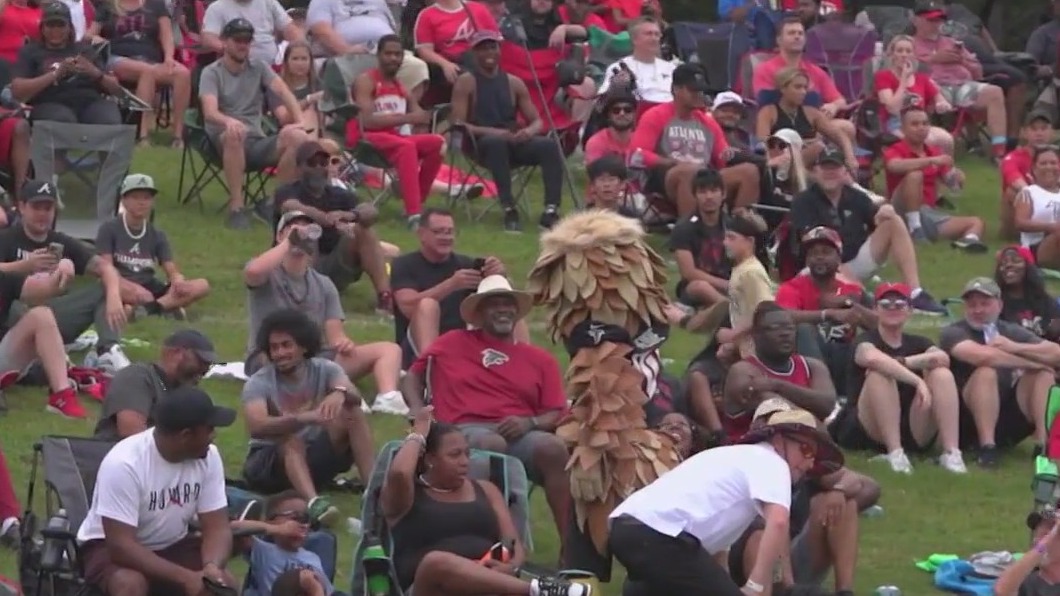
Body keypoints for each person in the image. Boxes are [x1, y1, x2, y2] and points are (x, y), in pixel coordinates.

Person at [401, 276, 571, 541]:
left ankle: (571, 550)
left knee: (554, 449)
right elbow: (412, 377)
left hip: (520, 431)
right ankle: (494, 539)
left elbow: (556, 411)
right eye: (494, 304)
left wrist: (530, 423)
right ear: (479, 313)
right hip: (463, 428)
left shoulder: (541, 360)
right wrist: (417, 408)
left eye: (508, 304)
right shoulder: (452, 342)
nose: (503, 309)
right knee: (491, 444)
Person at [608, 406, 844, 595]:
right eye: (806, 450)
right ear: (779, 440)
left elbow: (716, 552)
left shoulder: (733, 459)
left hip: (627, 530)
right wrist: (756, 584)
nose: (809, 463)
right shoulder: (772, 462)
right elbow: (779, 523)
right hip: (660, 535)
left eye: (814, 458)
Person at [380, 411, 591, 596]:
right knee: (435, 562)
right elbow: (399, 473)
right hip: (432, 588)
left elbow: (513, 543)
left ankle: (538, 591)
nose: (465, 462)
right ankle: (539, 590)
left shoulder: (486, 489)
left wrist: (511, 567)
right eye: (454, 455)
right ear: (429, 459)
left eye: (467, 453)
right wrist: (418, 433)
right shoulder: (406, 496)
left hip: (489, 586)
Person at [76, 387, 239, 596]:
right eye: (209, 429)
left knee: (224, 584)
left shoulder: (208, 456)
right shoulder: (125, 463)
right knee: (129, 585)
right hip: (108, 546)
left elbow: (217, 527)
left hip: (172, 544)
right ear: (186, 435)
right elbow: (120, 547)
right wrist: (186, 578)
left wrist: (211, 567)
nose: (213, 436)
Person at [243, 211, 403, 411]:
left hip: (314, 357)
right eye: (292, 228)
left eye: (307, 229)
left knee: (389, 349)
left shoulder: (324, 284)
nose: (301, 234)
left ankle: (388, 398)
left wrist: (343, 343)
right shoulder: (268, 273)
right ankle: (333, 391)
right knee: (303, 366)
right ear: (279, 236)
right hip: (270, 355)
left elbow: (335, 336)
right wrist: (289, 242)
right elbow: (253, 272)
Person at [241, 309, 376, 526]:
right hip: (267, 465)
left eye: (286, 345)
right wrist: (305, 418)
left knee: (352, 412)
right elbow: (257, 425)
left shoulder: (325, 369)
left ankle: (373, 494)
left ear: (304, 346)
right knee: (290, 438)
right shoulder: (259, 382)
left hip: (311, 455)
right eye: (274, 347)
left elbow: (355, 397)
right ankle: (314, 504)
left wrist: (340, 393)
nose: (280, 353)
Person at [730, 402, 874, 596]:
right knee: (765, 528)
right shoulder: (748, 464)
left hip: (796, 554)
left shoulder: (804, 465)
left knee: (844, 504)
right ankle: (783, 591)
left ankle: (844, 592)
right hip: (752, 560)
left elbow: (868, 485)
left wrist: (838, 491)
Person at [790, 148, 946, 314]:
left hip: (854, 262)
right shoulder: (803, 201)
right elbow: (809, 244)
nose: (829, 173)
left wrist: (884, 211)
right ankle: (856, 293)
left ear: (845, 172)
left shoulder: (856, 197)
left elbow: (876, 220)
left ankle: (915, 293)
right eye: (824, 168)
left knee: (893, 220)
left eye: (834, 167)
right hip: (819, 269)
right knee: (858, 300)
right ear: (815, 171)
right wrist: (838, 270)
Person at [0, 180, 130, 374]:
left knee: (105, 287)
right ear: (22, 207)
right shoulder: (6, 238)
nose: (42, 214)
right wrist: (25, 265)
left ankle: (107, 350)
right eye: (36, 207)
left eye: (48, 208)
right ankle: (47, 353)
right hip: (16, 317)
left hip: (56, 312)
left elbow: (104, 267)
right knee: (17, 306)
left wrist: (113, 296)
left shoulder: (61, 241)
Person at [835, 282, 966, 474]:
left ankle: (951, 453)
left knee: (942, 374)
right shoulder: (865, 340)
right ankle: (895, 453)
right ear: (875, 309)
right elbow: (871, 358)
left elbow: (942, 358)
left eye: (899, 304)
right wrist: (917, 380)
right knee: (879, 374)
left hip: (913, 423)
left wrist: (905, 362)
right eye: (885, 304)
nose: (892, 308)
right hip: (868, 427)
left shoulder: (919, 342)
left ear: (910, 310)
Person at [199, 17, 311, 230]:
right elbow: (210, 112)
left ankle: (274, 203)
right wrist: (230, 121)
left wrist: (299, 122)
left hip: (256, 139)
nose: (243, 45)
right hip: (221, 141)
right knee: (235, 134)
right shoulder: (211, 72)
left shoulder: (258, 67)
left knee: (299, 138)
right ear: (225, 41)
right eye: (238, 40)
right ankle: (236, 208)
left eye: (247, 40)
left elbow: (283, 92)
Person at [450, 30, 565, 232]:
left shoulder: (513, 82)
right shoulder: (467, 82)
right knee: (496, 143)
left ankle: (551, 210)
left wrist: (529, 132)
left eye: (492, 47)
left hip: (512, 140)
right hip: (480, 144)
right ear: (474, 53)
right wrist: (493, 132)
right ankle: (509, 208)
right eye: (483, 48)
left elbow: (537, 121)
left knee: (549, 146)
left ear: (499, 50)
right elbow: (458, 123)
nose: (489, 52)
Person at [939, 276, 1060, 467]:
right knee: (986, 373)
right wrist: (1030, 363)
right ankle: (987, 448)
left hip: (1008, 416)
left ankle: (1043, 445)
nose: (978, 310)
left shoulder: (1009, 331)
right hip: (965, 420)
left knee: (1043, 375)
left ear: (999, 305)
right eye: (972, 305)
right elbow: (984, 357)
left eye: (985, 303)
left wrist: (1016, 347)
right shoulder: (953, 332)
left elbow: (1056, 353)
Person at [272, 141, 393, 314]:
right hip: (294, 264)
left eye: (323, 163)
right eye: (312, 163)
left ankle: (385, 296)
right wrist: (319, 216)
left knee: (364, 230)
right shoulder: (287, 191)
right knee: (302, 229)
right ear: (298, 169)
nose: (318, 168)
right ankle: (303, 296)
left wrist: (350, 215)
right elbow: (288, 205)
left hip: (333, 263)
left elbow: (371, 211)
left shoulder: (339, 194)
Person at [391, 208, 516, 370]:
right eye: (438, 232)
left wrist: (499, 276)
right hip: (416, 345)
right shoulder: (404, 264)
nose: (446, 237)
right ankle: (429, 371)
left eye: (450, 232)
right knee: (427, 305)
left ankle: (522, 366)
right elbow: (407, 306)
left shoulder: (466, 264)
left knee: (511, 305)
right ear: (422, 234)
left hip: (461, 342)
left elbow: (506, 300)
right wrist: (451, 285)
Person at [628, 64, 760, 218]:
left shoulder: (708, 122)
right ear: (676, 89)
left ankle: (740, 226)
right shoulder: (655, 116)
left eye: (701, 90)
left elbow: (722, 157)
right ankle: (691, 228)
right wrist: (670, 162)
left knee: (749, 171)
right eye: (693, 90)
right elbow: (637, 154)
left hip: (705, 176)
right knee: (689, 171)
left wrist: (733, 155)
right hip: (668, 177)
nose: (698, 94)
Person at [351, 34, 444, 227]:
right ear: (379, 55)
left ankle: (418, 202)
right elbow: (367, 121)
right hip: (366, 137)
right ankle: (414, 214)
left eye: (397, 54)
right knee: (406, 146)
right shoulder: (366, 81)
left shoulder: (399, 86)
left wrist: (427, 116)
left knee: (438, 143)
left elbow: (418, 114)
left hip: (392, 137)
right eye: (388, 54)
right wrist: (409, 118)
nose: (393, 58)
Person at [96, 174, 211, 320]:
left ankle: (147, 310)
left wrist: (177, 280)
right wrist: (131, 287)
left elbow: (170, 268)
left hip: (149, 284)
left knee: (202, 285)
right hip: (120, 282)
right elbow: (105, 269)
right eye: (135, 197)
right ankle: (165, 308)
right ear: (124, 200)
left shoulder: (157, 234)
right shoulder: (109, 229)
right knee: (136, 293)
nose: (141, 202)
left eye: (146, 198)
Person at [722, 301, 838, 442]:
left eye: (790, 328)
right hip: (751, 449)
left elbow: (827, 404)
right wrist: (818, 431)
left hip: (803, 449)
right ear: (755, 335)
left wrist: (777, 385)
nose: (785, 333)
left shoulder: (813, 366)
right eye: (775, 328)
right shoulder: (742, 370)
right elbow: (769, 402)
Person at [775, 226, 874, 388]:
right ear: (807, 260)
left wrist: (850, 304)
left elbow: (883, 325)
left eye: (826, 252)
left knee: (867, 344)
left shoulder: (852, 290)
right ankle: (821, 389)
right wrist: (828, 314)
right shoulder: (792, 287)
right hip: (804, 362)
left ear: (839, 258)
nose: (819, 257)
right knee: (804, 329)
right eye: (813, 253)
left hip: (844, 358)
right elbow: (782, 315)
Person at [911, 1, 1008, 160]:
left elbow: (978, 71)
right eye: (931, 20)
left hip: (962, 85)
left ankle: (999, 152)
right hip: (933, 87)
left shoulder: (951, 42)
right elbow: (905, 69)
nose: (936, 24)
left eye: (939, 20)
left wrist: (963, 60)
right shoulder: (909, 44)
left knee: (995, 92)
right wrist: (933, 59)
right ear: (916, 21)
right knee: (921, 95)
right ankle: (923, 149)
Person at [883, 105, 986, 250]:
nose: (921, 128)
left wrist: (957, 177)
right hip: (901, 210)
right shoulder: (896, 149)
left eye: (925, 123)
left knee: (976, 222)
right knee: (915, 175)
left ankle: (967, 243)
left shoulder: (934, 151)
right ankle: (915, 228)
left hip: (928, 213)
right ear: (903, 129)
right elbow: (894, 166)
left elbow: (950, 181)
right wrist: (930, 161)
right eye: (915, 124)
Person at [89, 0, 191, 144]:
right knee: (146, 71)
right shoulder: (108, 5)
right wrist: (95, 38)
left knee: (182, 73)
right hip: (118, 59)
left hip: (152, 60)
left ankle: (178, 136)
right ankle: (143, 134)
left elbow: (167, 34)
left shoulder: (156, 4)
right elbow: (88, 34)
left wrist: (169, 57)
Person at [94, 329, 218, 441]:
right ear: (176, 353)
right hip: (116, 453)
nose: (205, 368)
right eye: (201, 361)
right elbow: (132, 435)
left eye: (208, 364)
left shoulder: (185, 392)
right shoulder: (136, 376)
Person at [11, 2, 124, 124]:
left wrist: (94, 71)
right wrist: (56, 74)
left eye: (61, 25)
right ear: (42, 28)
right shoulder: (30, 51)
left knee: (108, 117)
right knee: (63, 120)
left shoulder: (85, 50)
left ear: (70, 27)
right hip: (50, 103)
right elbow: (18, 92)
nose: (56, 30)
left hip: (89, 102)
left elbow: (116, 90)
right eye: (50, 25)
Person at [305, 0, 429, 101]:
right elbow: (321, 30)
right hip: (349, 54)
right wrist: (346, 50)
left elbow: (392, 27)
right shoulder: (322, 1)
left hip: (384, 51)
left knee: (417, 67)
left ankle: (402, 113)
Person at [234, 491, 342, 596]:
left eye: (306, 519)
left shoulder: (313, 558)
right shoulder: (262, 551)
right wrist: (278, 529)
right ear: (271, 520)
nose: (303, 525)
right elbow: (234, 528)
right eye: (295, 518)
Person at [754, 67, 857, 169]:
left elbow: (840, 136)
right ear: (783, 88)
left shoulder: (812, 113)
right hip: (781, 162)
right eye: (798, 87)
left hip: (809, 166)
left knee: (823, 152)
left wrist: (850, 157)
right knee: (818, 147)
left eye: (805, 88)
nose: (803, 92)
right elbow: (764, 143)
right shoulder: (768, 112)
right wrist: (804, 143)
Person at [874, 35, 954, 152]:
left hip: (920, 123)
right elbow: (892, 108)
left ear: (914, 55)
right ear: (892, 54)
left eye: (908, 51)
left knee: (946, 139)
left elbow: (940, 99)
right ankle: (926, 163)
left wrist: (941, 104)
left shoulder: (922, 79)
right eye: (899, 51)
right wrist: (903, 80)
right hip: (895, 124)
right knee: (926, 141)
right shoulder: (883, 76)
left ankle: (945, 164)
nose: (904, 54)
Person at [752, 18, 847, 117]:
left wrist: (834, 106)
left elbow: (840, 101)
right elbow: (766, 103)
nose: (797, 37)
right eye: (791, 33)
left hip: (815, 121)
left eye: (800, 33)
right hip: (780, 121)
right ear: (779, 40)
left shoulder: (816, 71)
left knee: (845, 125)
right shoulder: (765, 69)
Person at [669, 169, 733, 308]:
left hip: (729, 283)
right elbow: (689, 273)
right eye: (702, 192)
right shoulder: (683, 228)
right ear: (695, 196)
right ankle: (731, 309)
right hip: (696, 287)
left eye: (714, 191)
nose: (708, 197)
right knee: (700, 287)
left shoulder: (732, 225)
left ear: (723, 194)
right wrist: (725, 285)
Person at [412, 0, 498, 86]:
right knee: (466, 78)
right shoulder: (426, 15)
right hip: (451, 63)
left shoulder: (478, 9)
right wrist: (445, 64)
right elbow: (424, 50)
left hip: (478, 59)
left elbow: (496, 39)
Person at [1001, 111, 1054, 241]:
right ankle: (1016, 234)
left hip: (1050, 207)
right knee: (1013, 192)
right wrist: (1041, 196)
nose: (1039, 133)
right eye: (1034, 129)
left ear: (1051, 132)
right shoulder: (1012, 158)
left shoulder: (1054, 158)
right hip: (1024, 211)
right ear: (1024, 132)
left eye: (1044, 128)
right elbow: (1014, 180)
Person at [598, 18, 675, 104]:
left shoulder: (672, 68)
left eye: (657, 34)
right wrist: (616, 86)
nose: (654, 38)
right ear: (634, 39)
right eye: (649, 34)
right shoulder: (618, 67)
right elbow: (602, 99)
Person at [202, 0, 302, 64]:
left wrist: (300, 47)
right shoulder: (217, 8)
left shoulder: (269, 2)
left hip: (273, 65)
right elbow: (208, 39)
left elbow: (291, 30)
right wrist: (232, 49)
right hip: (236, 68)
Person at [996, 245, 1060, 341]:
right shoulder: (995, 303)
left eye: (1016, 261)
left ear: (1028, 267)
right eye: (1003, 263)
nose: (1008, 265)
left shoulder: (1046, 301)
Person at [993, 505, 1060, 595]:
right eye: (1037, 533)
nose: (1036, 540)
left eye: (1051, 532)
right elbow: (1002, 591)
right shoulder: (1023, 580)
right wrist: (1043, 545)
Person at [1016, 146, 1060, 269]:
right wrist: (1051, 227)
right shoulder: (1029, 192)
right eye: (1043, 163)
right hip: (1036, 246)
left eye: (1053, 163)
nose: (1049, 167)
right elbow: (1020, 223)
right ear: (1034, 169)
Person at [583, 89, 636, 163]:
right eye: (616, 110)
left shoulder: (643, 140)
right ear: (609, 115)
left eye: (628, 110)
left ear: (634, 114)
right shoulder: (596, 142)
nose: (622, 114)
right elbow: (596, 169)